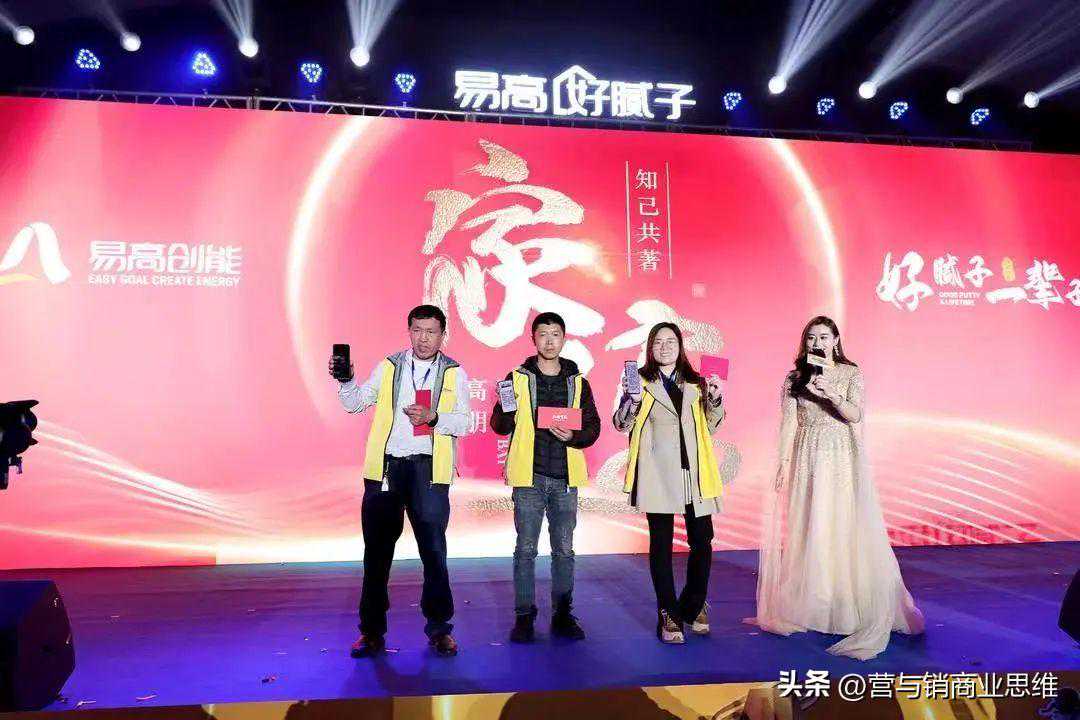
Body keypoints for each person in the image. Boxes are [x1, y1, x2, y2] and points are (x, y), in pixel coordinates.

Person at [752, 315, 924, 660]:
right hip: (807, 456)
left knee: (842, 524)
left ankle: (846, 602)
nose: (817, 343)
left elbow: (855, 415)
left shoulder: (851, 373)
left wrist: (831, 392)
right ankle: (815, 601)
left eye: (823, 336)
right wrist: (783, 462)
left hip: (841, 455)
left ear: (835, 340)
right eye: (811, 337)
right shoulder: (794, 378)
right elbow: (789, 423)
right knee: (810, 524)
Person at [329, 304, 474, 658]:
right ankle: (371, 633)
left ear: (443, 335)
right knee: (376, 555)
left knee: (434, 553)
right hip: (387, 469)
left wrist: (434, 417)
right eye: (417, 330)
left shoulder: (454, 373)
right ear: (409, 331)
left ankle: (440, 629)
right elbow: (355, 403)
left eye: (431, 332)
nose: (423, 339)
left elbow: (465, 422)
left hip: (429, 472)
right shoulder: (390, 366)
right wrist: (346, 380)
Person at [491, 312, 601, 643]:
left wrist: (573, 437)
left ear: (564, 339)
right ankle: (524, 616)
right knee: (525, 550)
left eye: (555, 334)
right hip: (530, 477)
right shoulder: (516, 378)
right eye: (543, 334)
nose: (549, 340)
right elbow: (499, 426)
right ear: (533, 339)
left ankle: (563, 615)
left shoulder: (578, 382)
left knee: (564, 550)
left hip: (565, 479)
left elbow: (593, 427)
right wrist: (507, 411)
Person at [613, 322, 726, 644]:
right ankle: (668, 612)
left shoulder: (698, 382)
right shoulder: (638, 381)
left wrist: (715, 400)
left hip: (695, 473)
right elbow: (621, 424)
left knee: (702, 540)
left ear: (680, 346)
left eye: (671, 341)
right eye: (658, 342)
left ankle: (693, 603)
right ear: (650, 348)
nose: (665, 347)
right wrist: (632, 401)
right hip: (657, 474)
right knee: (661, 544)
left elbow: (712, 426)